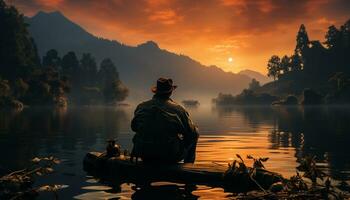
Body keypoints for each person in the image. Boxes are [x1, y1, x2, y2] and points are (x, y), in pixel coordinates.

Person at [131, 78, 199, 163]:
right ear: (170, 92)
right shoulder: (178, 109)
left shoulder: (141, 107)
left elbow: (134, 127)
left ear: (156, 91)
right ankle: (189, 167)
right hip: (169, 155)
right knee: (195, 131)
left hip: (143, 153)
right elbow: (191, 133)